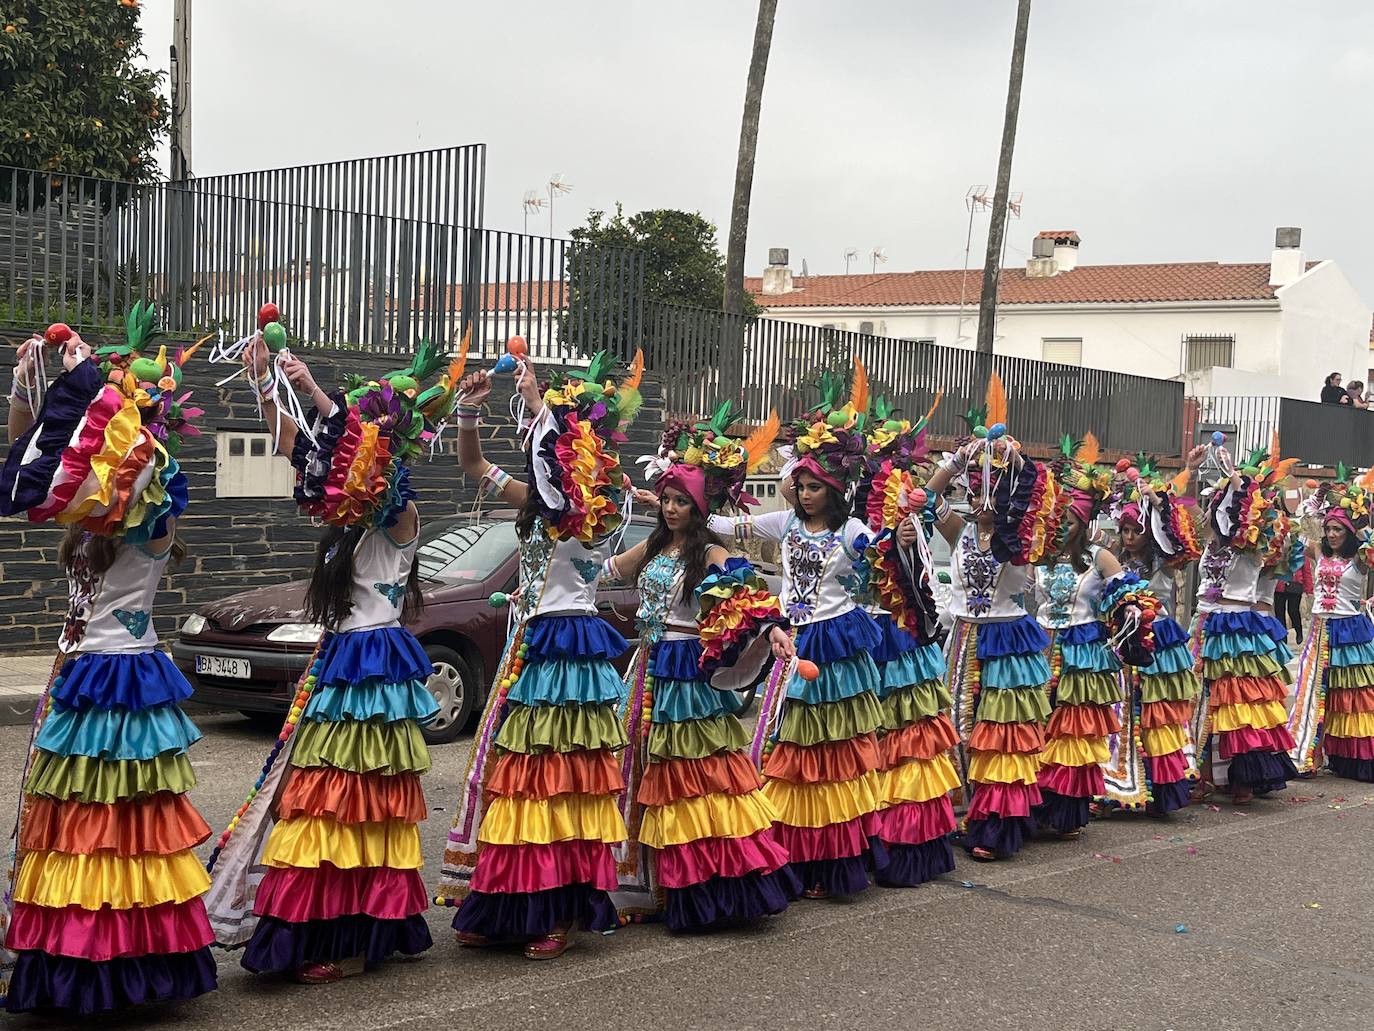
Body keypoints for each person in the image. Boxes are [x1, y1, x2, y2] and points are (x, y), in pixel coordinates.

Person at [205, 339, 461, 983]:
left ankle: (355, 938)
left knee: (359, 800)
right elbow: (297, 449)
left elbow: (344, 462)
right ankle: (323, 922)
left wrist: (321, 395)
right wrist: (267, 384)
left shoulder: (398, 513)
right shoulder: (344, 517)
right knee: (320, 803)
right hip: (339, 660)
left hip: (372, 666)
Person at [0, 309, 216, 1014]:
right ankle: (84, 961)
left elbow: (143, 462)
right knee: (82, 824)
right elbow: (32, 462)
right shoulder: (87, 522)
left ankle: (124, 968)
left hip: (121, 672)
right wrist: (26, 392)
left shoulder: (152, 525)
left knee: (123, 824)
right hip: (85, 671)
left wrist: (120, 386)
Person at [433, 352, 641, 959]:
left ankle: (558, 911)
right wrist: (470, 409)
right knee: (519, 782)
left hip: (570, 649)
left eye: (552, 447)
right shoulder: (529, 499)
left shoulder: (595, 515)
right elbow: (473, 465)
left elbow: (566, 495)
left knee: (561, 782)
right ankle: (505, 904)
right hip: (529, 647)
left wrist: (540, 406)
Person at [610, 405, 800, 930]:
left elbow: (749, 593)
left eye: (680, 501)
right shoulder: (650, 543)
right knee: (639, 770)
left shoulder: (711, 552)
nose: (671, 508)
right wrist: (543, 584)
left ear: (698, 506)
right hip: (646, 666)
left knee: (690, 779)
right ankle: (641, 883)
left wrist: (775, 629)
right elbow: (603, 571)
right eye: (667, 499)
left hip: (685, 673)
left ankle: (698, 885)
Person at [708, 366, 892, 898]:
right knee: (793, 750)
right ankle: (796, 851)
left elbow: (880, 553)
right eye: (802, 486)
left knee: (831, 756)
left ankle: (836, 860)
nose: (806, 494)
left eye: (816, 486)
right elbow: (731, 528)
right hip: (793, 640)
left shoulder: (852, 530)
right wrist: (681, 506)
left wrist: (900, 532)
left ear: (834, 489)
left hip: (833, 644)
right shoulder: (784, 524)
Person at [918, 374, 1063, 861]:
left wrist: (1015, 472)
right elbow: (924, 503)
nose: (982, 496)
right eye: (978, 487)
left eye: (993, 489)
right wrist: (960, 459)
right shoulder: (958, 529)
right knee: (955, 724)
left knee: (1001, 735)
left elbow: (1037, 513)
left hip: (1006, 639)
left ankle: (998, 826)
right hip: (961, 637)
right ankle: (967, 809)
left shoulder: (1022, 543)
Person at [850, 391, 961, 886]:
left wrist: (957, 463)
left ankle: (904, 847)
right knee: (858, 741)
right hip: (858, 635)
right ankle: (858, 844)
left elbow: (928, 499)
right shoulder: (848, 525)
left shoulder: (910, 518)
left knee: (907, 741)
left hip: (901, 638)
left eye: (887, 465)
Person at [1031, 435, 1156, 838]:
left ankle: (1064, 809)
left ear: (1084, 523)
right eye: (1058, 518)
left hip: (1083, 653)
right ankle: (1032, 804)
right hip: (1042, 646)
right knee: (1036, 726)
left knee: (1072, 731)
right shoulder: (1040, 556)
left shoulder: (1100, 557)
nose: (1062, 526)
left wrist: (1132, 612)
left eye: (1069, 521)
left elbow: (1127, 594)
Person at [1192, 438, 1300, 803]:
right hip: (1207, 623)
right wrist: (1195, 470)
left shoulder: (1256, 542)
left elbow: (1248, 513)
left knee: (1240, 702)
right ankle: (1203, 771)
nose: (1213, 510)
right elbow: (1174, 528)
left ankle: (1242, 774)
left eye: (1219, 504)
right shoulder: (1211, 544)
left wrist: (1237, 480)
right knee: (1202, 699)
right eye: (1212, 504)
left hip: (1239, 626)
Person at [1102, 457, 1203, 816]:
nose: (1129, 538)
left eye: (1136, 531)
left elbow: (1179, 539)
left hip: (1155, 637)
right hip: (1121, 639)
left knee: (1155, 714)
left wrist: (1158, 503)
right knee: (1120, 710)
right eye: (1125, 531)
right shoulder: (1113, 556)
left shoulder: (1163, 556)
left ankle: (1159, 785)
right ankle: (1117, 783)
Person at [1287, 472, 1374, 781]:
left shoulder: (1362, 558)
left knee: (1351, 695)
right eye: (1329, 529)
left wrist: (1359, 510)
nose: (1332, 534)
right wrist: (1317, 501)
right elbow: (1298, 530)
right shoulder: (1318, 552)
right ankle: (1311, 751)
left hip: (1351, 630)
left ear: (1349, 532)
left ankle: (1353, 757)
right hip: (1321, 629)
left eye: (1338, 529)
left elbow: (1369, 537)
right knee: (1314, 693)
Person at [1272, 545, 1311, 643]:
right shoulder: (1277, 549)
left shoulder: (1300, 551)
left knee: (1293, 610)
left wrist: (1308, 589)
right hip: (1279, 585)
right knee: (1279, 612)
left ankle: (1298, 630)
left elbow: (1306, 571)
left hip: (1295, 584)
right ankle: (1282, 637)